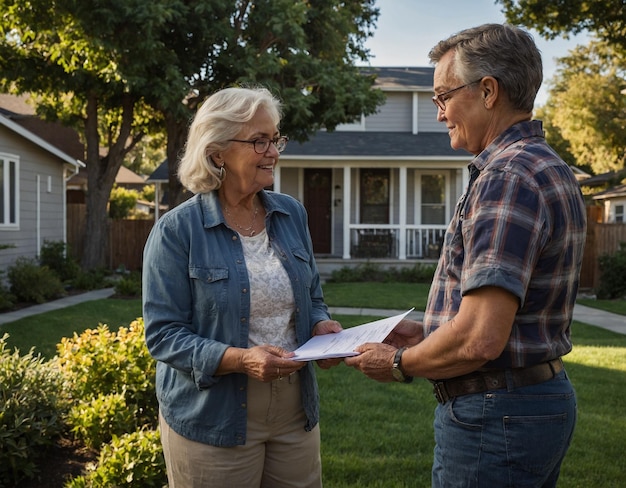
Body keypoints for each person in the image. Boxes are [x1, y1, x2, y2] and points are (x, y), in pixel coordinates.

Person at [344, 23, 587, 487]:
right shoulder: (548, 166)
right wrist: (426, 331)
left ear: (488, 91)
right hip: (531, 402)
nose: (439, 114)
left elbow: (479, 339)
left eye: (443, 97)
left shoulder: (508, 177)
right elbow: (511, 316)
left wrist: (395, 364)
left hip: (497, 415)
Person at [142, 86, 342, 488]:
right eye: (259, 141)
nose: (273, 151)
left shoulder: (291, 215)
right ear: (217, 153)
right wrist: (240, 359)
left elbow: (313, 297)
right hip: (213, 414)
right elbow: (163, 335)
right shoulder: (177, 231)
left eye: (275, 139)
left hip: (294, 410)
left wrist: (321, 325)